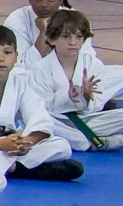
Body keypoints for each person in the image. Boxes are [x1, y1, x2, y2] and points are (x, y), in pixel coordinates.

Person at [0, 25, 79, 196]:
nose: (1, 59)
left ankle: (7, 165)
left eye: (7, 52)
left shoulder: (21, 81)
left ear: (16, 56)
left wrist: (27, 142)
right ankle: (17, 168)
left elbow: (39, 117)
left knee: (62, 146)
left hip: (11, 144)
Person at [30, 8, 123, 147]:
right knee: (38, 122)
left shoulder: (93, 64)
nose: (73, 42)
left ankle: (83, 140)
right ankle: (92, 144)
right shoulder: (40, 68)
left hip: (89, 121)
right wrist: (67, 97)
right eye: (66, 36)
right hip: (59, 122)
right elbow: (40, 107)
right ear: (51, 39)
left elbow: (97, 105)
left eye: (79, 37)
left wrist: (86, 96)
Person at [4, 0, 101, 71]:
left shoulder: (76, 19)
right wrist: (44, 33)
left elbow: (87, 60)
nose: (44, 4)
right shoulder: (16, 19)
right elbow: (21, 65)